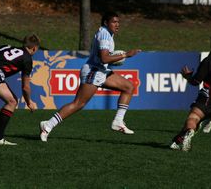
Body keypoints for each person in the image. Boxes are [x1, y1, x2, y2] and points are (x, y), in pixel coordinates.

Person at [39, 11, 141, 142]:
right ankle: (48, 125)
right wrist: (125, 55)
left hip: (101, 71)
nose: (117, 24)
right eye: (114, 22)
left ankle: (118, 121)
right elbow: (104, 58)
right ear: (106, 23)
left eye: (118, 22)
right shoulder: (104, 34)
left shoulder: (108, 33)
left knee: (129, 87)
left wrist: (117, 57)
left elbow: (104, 58)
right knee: (78, 103)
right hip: (93, 71)